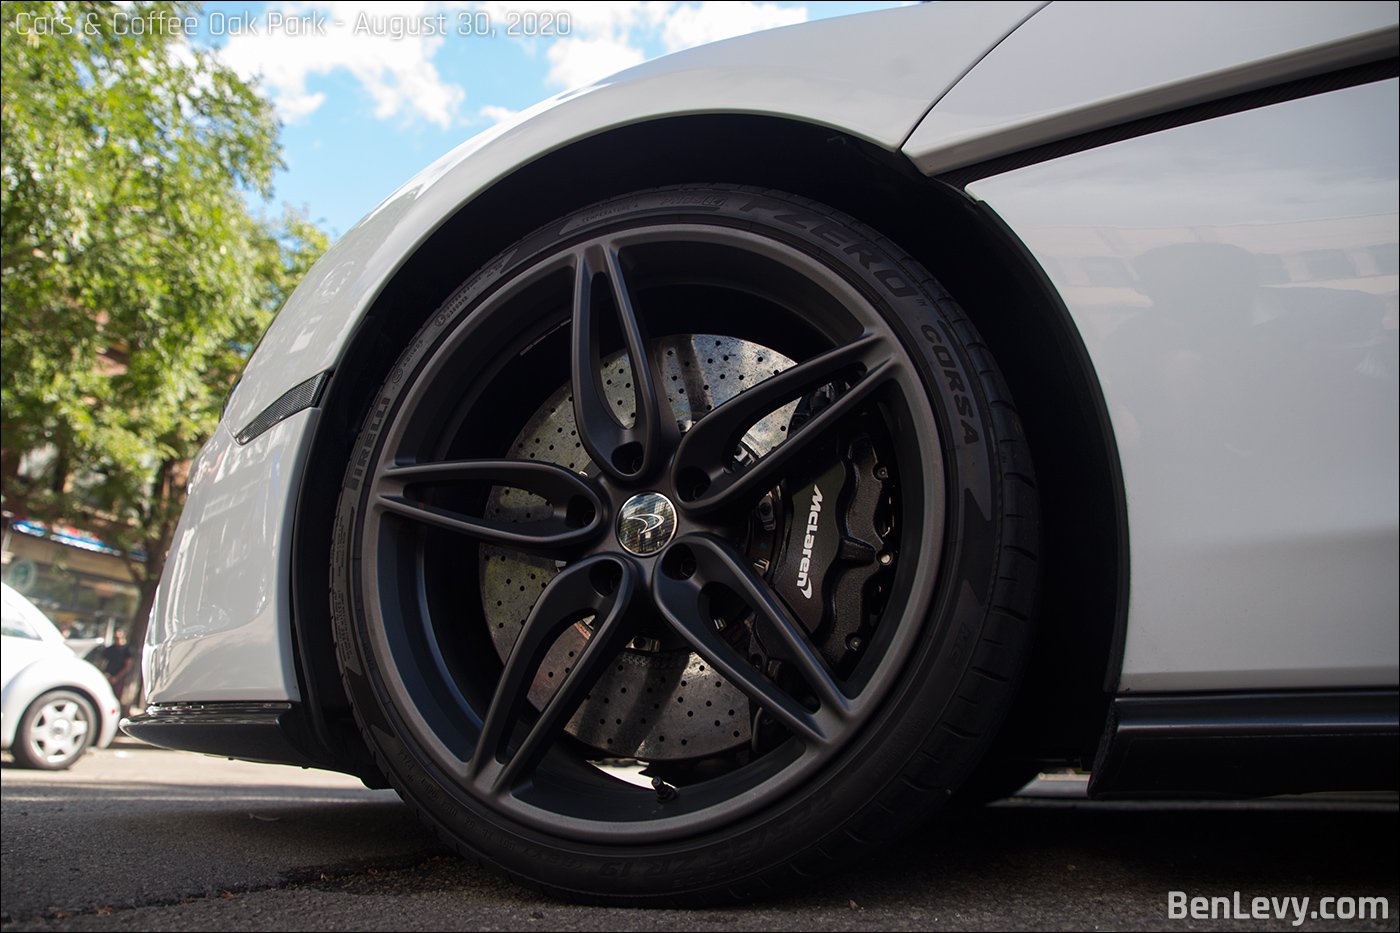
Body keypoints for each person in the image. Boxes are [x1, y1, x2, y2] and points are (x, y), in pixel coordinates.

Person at [102, 629, 134, 712]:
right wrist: (105, 674)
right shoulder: (109, 649)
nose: (117, 639)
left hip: (120, 678)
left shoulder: (127, 650)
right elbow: (102, 662)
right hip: (108, 676)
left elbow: (127, 666)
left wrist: (116, 677)